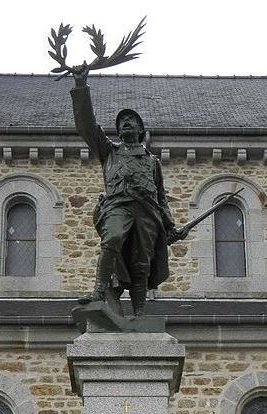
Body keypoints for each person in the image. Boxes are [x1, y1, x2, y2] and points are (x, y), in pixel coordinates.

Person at [70, 64, 183, 317]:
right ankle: (99, 290)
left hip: (147, 214)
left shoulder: (151, 161)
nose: (126, 123)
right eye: (122, 121)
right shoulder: (109, 152)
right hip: (118, 206)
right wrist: (81, 87)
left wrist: (171, 226)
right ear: (118, 130)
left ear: (140, 130)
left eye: (131, 121)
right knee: (111, 240)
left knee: (141, 264)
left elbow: (161, 197)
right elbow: (87, 125)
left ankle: (139, 313)